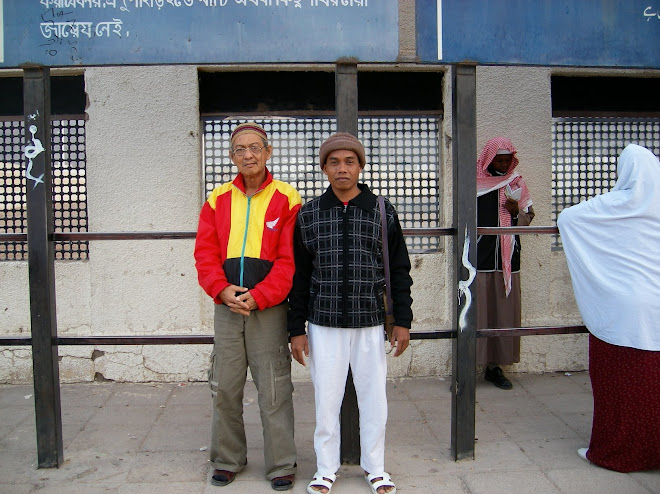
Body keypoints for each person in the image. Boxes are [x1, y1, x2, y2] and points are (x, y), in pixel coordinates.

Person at [287, 133, 413, 494]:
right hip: (323, 325)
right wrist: (297, 328)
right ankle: (326, 468)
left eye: (350, 162)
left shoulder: (381, 210)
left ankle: (376, 468)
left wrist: (401, 321)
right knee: (326, 400)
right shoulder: (310, 214)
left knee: (374, 399)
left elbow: (398, 270)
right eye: (334, 162)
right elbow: (299, 276)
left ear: (360, 166)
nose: (342, 169)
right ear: (324, 168)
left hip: (370, 322)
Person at [194, 122, 301, 491]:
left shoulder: (287, 197)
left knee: (273, 387)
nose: (248, 155)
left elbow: (289, 261)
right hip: (227, 306)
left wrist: (261, 295)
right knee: (224, 385)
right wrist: (221, 290)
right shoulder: (217, 198)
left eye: (255, 148)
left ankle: (282, 463)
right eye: (240, 149)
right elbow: (205, 254)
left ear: (268, 152)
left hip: (268, 308)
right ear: (231, 156)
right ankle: (227, 459)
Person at [557, 143, 660, 473]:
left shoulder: (615, 206)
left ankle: (618, 451)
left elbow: (569, 219)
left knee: (620, 382)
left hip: (624, 309)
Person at [476, 137, 534, 390]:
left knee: (503, 312)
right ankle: (471, 364)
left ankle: (495, 367)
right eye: (499, 159)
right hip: (479, 258)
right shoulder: (474, 182)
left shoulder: (516, 182)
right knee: (478, 310)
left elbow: (528, 218)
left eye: (507, 159)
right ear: (489, 159)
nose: (503, 163)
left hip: (508, 259)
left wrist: (513, 211)